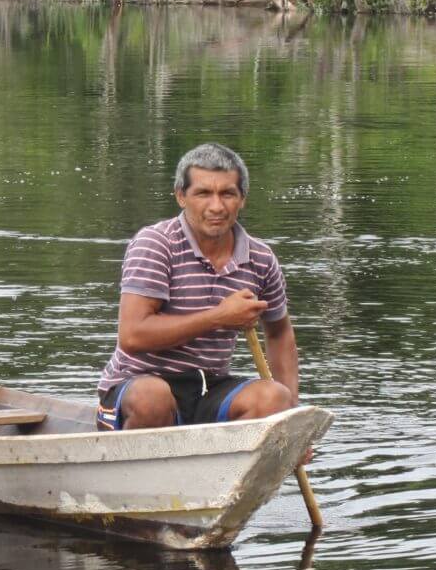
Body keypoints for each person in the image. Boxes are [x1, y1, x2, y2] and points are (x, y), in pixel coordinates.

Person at [97, 143, 301, 431]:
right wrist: (218, 317)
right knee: (151, 398)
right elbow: (132, 336)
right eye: (203, 193)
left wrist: (292, 423)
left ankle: (229, 472)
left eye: (227, 193)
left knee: (274, 399)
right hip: (138, 385)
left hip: (208, 388)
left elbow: (279, 332)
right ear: (181, 196)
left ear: (242, 198)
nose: (216, 207)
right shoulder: (156, 244)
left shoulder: (260, 259)